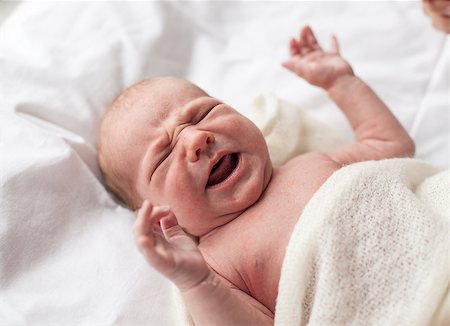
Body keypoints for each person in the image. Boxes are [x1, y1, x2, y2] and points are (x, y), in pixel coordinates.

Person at [98, 26, 415, 324]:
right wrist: (198, 283)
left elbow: (391, 144)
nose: (196, 138)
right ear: (158, 218)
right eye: (164, 155)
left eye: (203, 114)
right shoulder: (215, 266)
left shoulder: (310, 164)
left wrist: (342, 83)